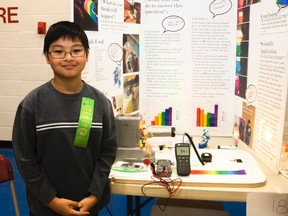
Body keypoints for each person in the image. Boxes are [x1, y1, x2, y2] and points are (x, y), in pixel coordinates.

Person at [12, 21, 117, 216]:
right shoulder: (32, 104)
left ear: (86, 54)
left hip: (88, 205)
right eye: (58, 51)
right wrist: (52, 200)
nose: (68, 58)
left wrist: (94, 195)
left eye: (76, 50)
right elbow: (25, 159)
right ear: (47, 57)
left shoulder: (100, 102)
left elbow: (107, 152)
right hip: (45, 207)